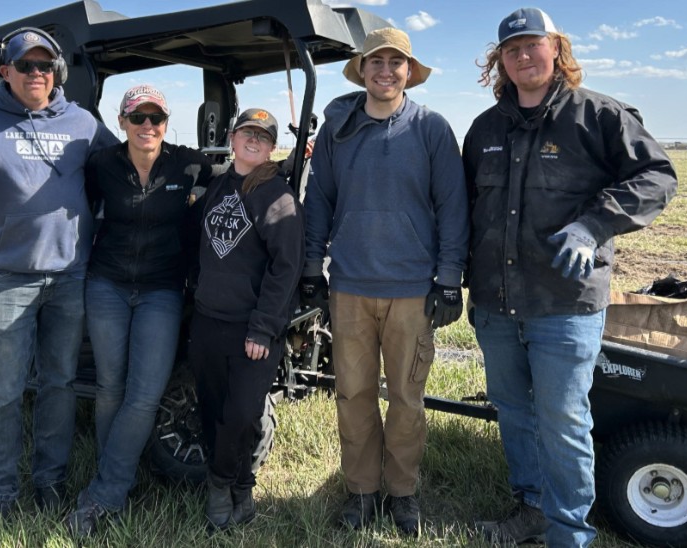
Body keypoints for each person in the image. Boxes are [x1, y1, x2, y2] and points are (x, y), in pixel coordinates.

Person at [462, 8, 677, 547]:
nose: (523, 56)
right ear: (500, 62)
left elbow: (657, 176)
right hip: (495, 301)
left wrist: (592, 226)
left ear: (556, 49)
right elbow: (462, 207)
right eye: (511, 49)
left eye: (533, 45)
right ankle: (531, 508)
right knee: (513, 411)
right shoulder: (485, 129)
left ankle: (568, 533)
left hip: (565, 304)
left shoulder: (597, 116)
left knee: (562, 419)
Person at [0, 27, 118, 525]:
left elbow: (122, 169)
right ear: (4, 70)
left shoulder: (83, 123)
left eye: (45, 65)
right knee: (5, 390)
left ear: (58, 71)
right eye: (25, 65)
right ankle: (2, 494)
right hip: (8, 278)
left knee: (59, 384)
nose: (37, 74)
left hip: (70, 277)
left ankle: (50, 483)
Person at [301, 27, 469, 537]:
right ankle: (360, 493)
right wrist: (312, 268)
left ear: (409, 73)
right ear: (363, 69)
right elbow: (320, 202)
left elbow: (452, 207)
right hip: (349, 286)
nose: (386, 70)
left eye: (396, 62)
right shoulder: (339, 130)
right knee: (352, 395)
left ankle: (402, 493)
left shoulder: (432, 129)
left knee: (406, 400)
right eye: (376, 61)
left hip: (412, 291)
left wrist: (448, 279)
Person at [67, 84, 216, 537]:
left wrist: (292, 161)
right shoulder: (102, 165)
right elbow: (71, 197)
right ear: (122, 122)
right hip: (107, 284)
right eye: (138, 118)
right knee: (111, 388)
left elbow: (236, 174)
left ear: (167, 124)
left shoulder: (187, 163)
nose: (147, 126)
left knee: (144, 393)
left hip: (161, 290)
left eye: (156, 118)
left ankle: (104, 491)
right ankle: (118, 474)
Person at [190, 108, 304, 531]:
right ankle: (241, 487)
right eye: (247, 133)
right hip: (207, 321)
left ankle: (220, 485)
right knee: (212, 410)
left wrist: (263, 327)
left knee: (241, 413)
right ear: (233, 138)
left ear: (272, 147)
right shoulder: (217, 186)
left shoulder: (278, 197)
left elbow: (285, 268)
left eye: (263, 136)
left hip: (251, 330)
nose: (253, 141)